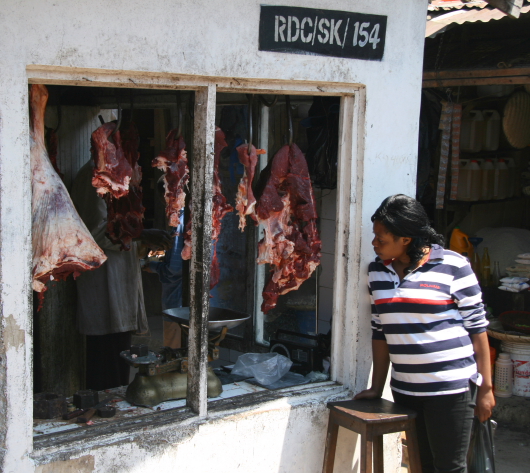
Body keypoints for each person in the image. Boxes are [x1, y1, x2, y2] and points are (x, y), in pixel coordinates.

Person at [354, 194, 494, 473]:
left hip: (451, 388)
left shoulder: (454, 266)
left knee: (450, 468)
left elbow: (478, 329)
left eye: (381, 239)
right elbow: (380, 333)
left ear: (405, 239)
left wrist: (486, 389)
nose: (374, 244)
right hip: (405, 390)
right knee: (420, 465)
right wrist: (377, 387)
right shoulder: (377, 273)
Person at [71, 160, 173, 391]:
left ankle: (116, 405)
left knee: (121, 355)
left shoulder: (119, 174)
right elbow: (94, 232)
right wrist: (142, 235)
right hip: (104, 282)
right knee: (104, 358)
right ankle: (102, 411)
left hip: (121, 280)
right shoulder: (94, 176)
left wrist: (141, 238)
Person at [144, 205, 185, 349]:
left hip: (177, 304)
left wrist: (153, 266)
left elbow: (175, 269)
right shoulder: (184, 219)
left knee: (174, 354)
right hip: (186, 303)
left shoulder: (180, 222)